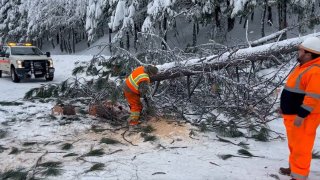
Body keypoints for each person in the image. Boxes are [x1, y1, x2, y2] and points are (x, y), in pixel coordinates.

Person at [279, 36, 320, 180]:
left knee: (302, 148)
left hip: (304, 117)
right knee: (294, 145)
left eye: (301, 51)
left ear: (309, 54)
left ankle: (299, 176)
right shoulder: (303, 67)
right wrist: (284, 107)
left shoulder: (315, 71)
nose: (299, 53)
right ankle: (294, 169)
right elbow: (293, 90)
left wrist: (301, 115)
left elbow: (313, 97)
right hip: (293, 115)